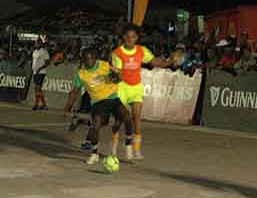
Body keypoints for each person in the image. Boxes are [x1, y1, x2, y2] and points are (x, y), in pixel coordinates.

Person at [111, 24, 175, 160]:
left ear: (136, 38)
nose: (130, 39)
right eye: (128, 37)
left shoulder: (142, 50)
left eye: (133, 37)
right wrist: (118, 75)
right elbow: (118, 73)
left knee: (136, 117)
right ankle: (114, 147)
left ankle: (136, 149)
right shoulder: (117, 53)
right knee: (120, 119)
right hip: (122, 87)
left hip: (136, 87)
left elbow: (154, 62)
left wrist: (169, 61)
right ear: (123, 38)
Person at [65, 48, 134, 164]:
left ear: (94, 58)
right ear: (83, 60)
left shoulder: (104, 65)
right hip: (97, 102)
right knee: (96, 124)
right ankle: (94, 153)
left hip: (112, 98)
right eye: (86, 59)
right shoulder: (81, 74)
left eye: (91, 58)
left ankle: (128, 145)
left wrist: (116, 77)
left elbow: (120, 76)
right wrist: (68, 107)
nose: (89, 61)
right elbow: (74, 91)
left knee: (127, 117)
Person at [32, 36, 51, 110]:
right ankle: (43, 104)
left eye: (37, 42)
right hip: (35, 72)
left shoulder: (44, 51)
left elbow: (47, 62)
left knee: (38, 88)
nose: (35, 44)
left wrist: (40, 68)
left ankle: (37, 104)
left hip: (41, 72)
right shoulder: (34, 52)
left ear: (40, 43)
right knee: (37, 89)